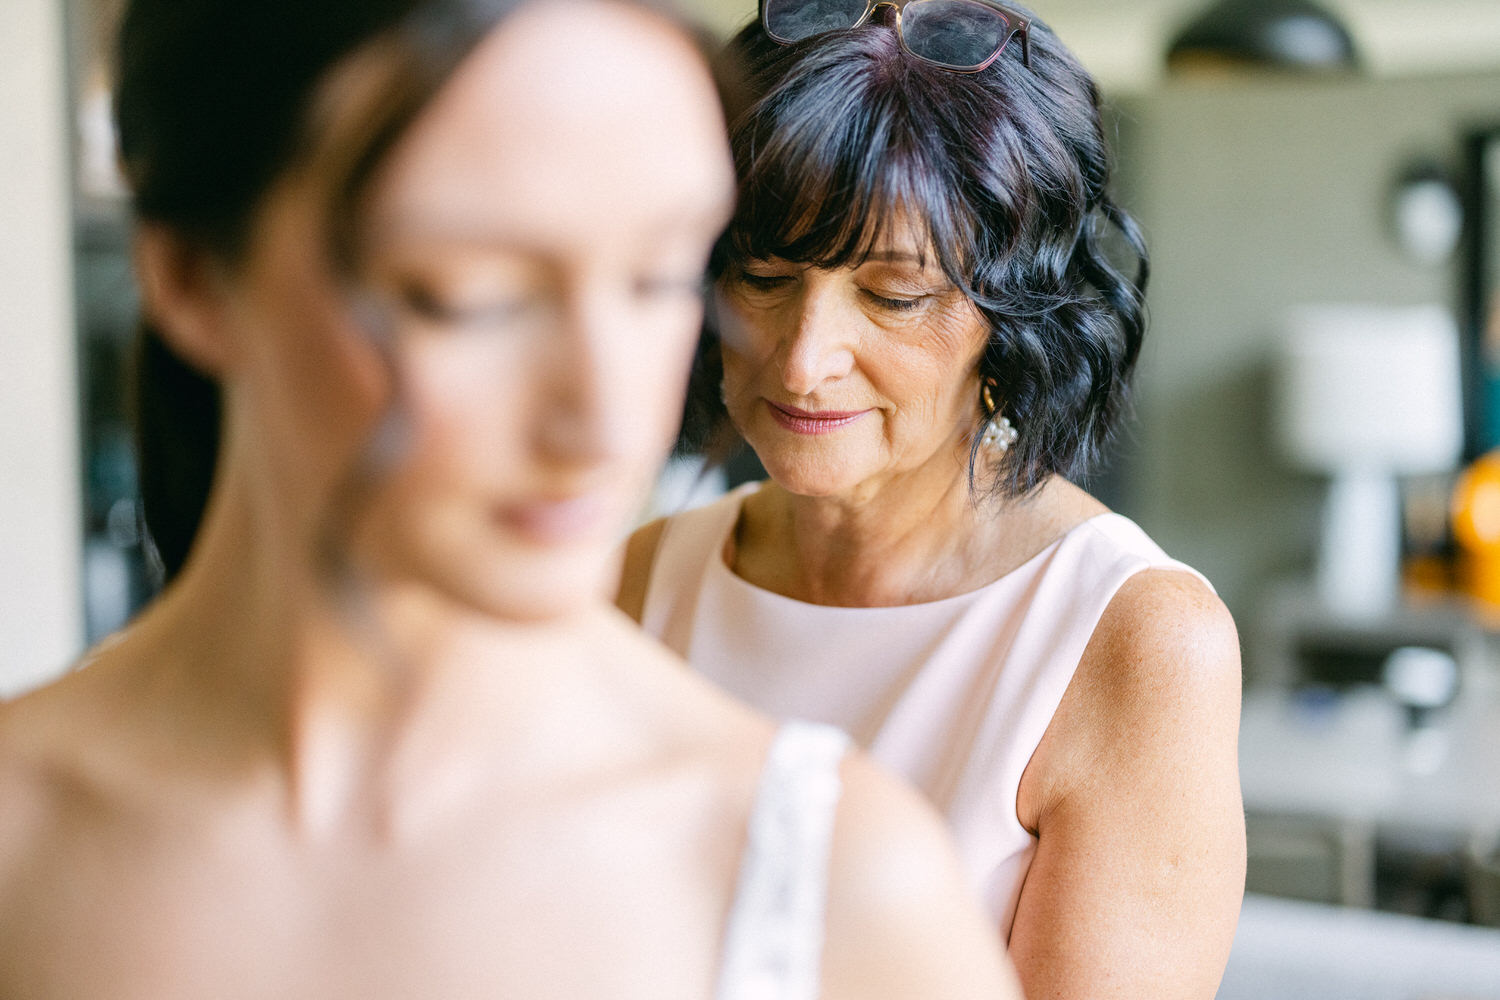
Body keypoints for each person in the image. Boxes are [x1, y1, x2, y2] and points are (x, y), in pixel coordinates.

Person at [0, 1, 1024, 996]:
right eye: (473, 294)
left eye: (661, 276)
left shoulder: (836, 894)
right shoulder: (25, 841)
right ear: (189, 278)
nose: (603, 419)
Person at [619, 2, 1246, 996]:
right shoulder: (643, 580)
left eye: (895, 294)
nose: (803, 357)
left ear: (1013, 313)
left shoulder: (1132, 640)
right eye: (765, 274)